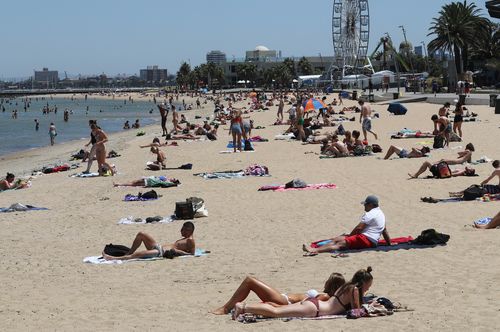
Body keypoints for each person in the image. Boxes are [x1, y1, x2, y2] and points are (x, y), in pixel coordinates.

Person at [231, 267, 374, 320]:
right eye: (368, 286)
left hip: (314, 304)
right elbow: (356, 311)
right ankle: (243, 307)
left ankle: (245, 308)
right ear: (363, 283)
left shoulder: (346, 286)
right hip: (315, 309)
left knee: (277, 309)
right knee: (276, 312)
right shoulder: (354, 289)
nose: (367, 289)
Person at [212, 272, 345, 315]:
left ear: (332, 285)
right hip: (283, 299)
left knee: (250, 281)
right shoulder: (326, 295)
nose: (326, 283)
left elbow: (306, 304)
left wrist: (279, 307)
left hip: (284, 301)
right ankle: (227, 307)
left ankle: (225, 308)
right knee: (250, 282)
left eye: (328, 281)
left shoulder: (326, 296)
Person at [303, 196, 391, 255]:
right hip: (369, 239)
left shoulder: (370, 214)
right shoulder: (381, 213)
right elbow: (384, 230)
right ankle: (320, 248)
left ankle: (315, 250)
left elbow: (359, 228)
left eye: (365, 204)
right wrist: (389, 244)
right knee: (337, 239)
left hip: (366, 239)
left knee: (340, 243)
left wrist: (350, 236)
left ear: (371, 205)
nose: (364, 206)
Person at [103, 222, 195, 260]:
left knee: (137, 255)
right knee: (141, 234)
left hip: (161, 252)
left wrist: (177, 252)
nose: (181, 231)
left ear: (188, 230)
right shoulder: (185, 239)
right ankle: (128, 253)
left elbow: (192, 254)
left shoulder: (190, 241)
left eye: (183, 229)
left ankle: (113, 258)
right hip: (158, 247)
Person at [408, 143, 475, 179]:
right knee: (442, 160)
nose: (470, 167)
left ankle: (416, 175)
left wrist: (463, 154)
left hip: (453, 164)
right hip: (444, 172)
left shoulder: (468, 151)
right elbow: (469, 161)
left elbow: (459, 153)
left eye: (471, 169)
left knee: (442, 160)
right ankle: (417, 174)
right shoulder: (469, 156)